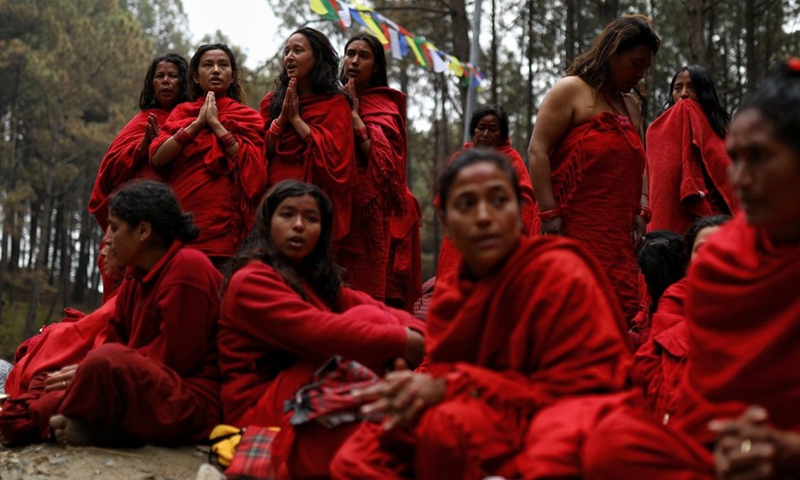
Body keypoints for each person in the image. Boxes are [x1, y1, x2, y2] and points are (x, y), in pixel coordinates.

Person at [330, 149, 632, 480]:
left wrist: (450, 388)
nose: (484, 216)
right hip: (479, 413)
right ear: (445, 220)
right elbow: (441, 370)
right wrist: (413, 388)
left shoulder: (560, 273)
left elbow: (588, 386)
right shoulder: (451, 296)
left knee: (445, 429)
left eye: (499, 200)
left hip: (559, 415)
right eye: (466, 204)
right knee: (357, 453)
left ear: (519, 211)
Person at [582, 59, 800, 480]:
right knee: (611, 444)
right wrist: (726, 450)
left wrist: (787, 450)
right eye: (734, 159)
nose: (740, 179)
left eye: (760, 158)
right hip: (726, 451)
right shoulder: (721, 261)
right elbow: (703, 403)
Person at [218, 180, 425, 479]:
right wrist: (402, 340)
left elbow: (376, 307)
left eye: (311, 219)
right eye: (287, 215)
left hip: (307, 386)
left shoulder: (313, 278)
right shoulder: (251, 280)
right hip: (259, 409)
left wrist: (416, 334)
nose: (299, 226)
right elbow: (319, 331)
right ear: (267, 223)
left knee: (369, 315)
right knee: (369, 328)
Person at [48, 180, 223, 447]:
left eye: (115, 228)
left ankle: (77, 422)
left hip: (189, 398)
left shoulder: (188, 268)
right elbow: (116, 340)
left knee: (101, 361)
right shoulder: (135, 277)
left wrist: (105, 369)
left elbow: (179, 360)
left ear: (143, 231)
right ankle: (85, 423)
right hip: (141, 386)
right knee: (59, 378)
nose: (107, 238)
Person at [528, 14, 660, 321]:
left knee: (614, 313)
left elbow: (640, 161)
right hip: (568, 228)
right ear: (612, 52)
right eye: (635, 63)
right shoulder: (571, 90)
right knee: (567, 311)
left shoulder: (632, 106)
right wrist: (549, 216)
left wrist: (643, 208)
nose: (640, 74)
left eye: (646, 68)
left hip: (615, 235)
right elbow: (537, 151)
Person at [150, 43, 266, 269]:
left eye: (223, 65)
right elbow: (157, 157)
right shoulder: (182, 113)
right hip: (182, 227)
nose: (215, 70)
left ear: (232, 76)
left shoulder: (246, 116)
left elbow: (255, 169)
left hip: (226, 234)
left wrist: (216, 126)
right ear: (194, 77)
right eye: (208, 65)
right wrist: (196, 125)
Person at [0, 233, 122, 445]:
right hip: (24, 379)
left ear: (143, 232)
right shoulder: (126, 292)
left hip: (29, 388)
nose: (102, 251)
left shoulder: (128, 298)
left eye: (109, 243)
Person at [337, 33, 421, 308]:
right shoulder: (327, 99)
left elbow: (385, 161)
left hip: (370, 209)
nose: (354, 61)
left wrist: (353, 117)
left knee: (365, 293)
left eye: (363, 56)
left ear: (376, 67)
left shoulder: (386, 106)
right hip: (335, 202)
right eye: (350, 54)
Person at [261, 27, 356, 244]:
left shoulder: (336, 104)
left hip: (316, 199)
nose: (289, 57)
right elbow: (260, 153)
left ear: (317, 58)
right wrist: (282, 120)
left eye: (298, 51)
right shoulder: (271, 101)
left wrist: (296, 121)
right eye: (286, 52)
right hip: (276, 194)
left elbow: (339, 163)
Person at [631, 215, 729, 423]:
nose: (712, 256)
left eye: (723, 247)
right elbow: (661, 349)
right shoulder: (679, 295)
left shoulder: (761, 294)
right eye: (702, 250)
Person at [88, 53, 189, 232]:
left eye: (173, 76)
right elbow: (109, 172)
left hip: (185, 208)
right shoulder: (141, 122)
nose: (166, 81)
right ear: (152, 84)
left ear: (185, 82)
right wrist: (140, 150)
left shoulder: (196, 119)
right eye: (160, 76)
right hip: (143, 213)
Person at [436, 104, 536, 280]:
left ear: (502, 136)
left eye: (493, 129)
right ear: (473, 131)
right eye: (481, 128)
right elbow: (442, 199)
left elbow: (525, 202)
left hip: (497, 237)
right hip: (460, 237)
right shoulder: (459, 160)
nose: (485, 134)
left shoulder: (511, 161)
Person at [647, 65, 737, 234]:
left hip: (717, 221)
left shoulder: (725, 131)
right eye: (677, 88)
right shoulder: (658, 129)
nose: (684, 94)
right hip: (675, 220)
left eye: (692, 87)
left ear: (705, 92)